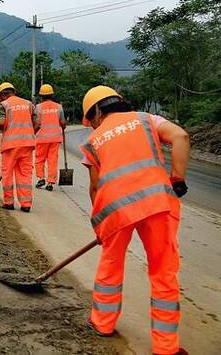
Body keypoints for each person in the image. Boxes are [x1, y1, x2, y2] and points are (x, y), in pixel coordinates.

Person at [79, 86, 189, 355]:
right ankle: (166, 348)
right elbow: (181, 137)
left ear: (96, 111)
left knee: (111, 264)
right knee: (163, 272)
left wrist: (101, 226)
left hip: (116, 210)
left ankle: (102, 323)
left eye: (90, 118)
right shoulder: (147, 119)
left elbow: (95, 187)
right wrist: (177, 179)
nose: (91, 124)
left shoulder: (93, 140)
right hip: (156, 203)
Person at [0, 82, 38, 212]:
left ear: (3, 95)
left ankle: (8, 202)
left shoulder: (4, 105)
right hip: (27, 145)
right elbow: (38, 123)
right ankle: (26, 204)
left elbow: (1, 122)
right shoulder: (28, 104)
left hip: (10, 146)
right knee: (25, 174)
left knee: (7, 173)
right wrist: (29, 134)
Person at [34, 84, 67, 191]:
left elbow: (37, 123)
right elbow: (63, 123)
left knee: (40, 159)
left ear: (41, 95)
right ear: (52, 94)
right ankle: (50, 182)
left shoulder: (38, 108)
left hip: (42, 138)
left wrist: (32, 133)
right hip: (55, 138)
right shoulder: (59, 107)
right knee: (53, 160)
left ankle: (41, 178)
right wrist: (63, 125)